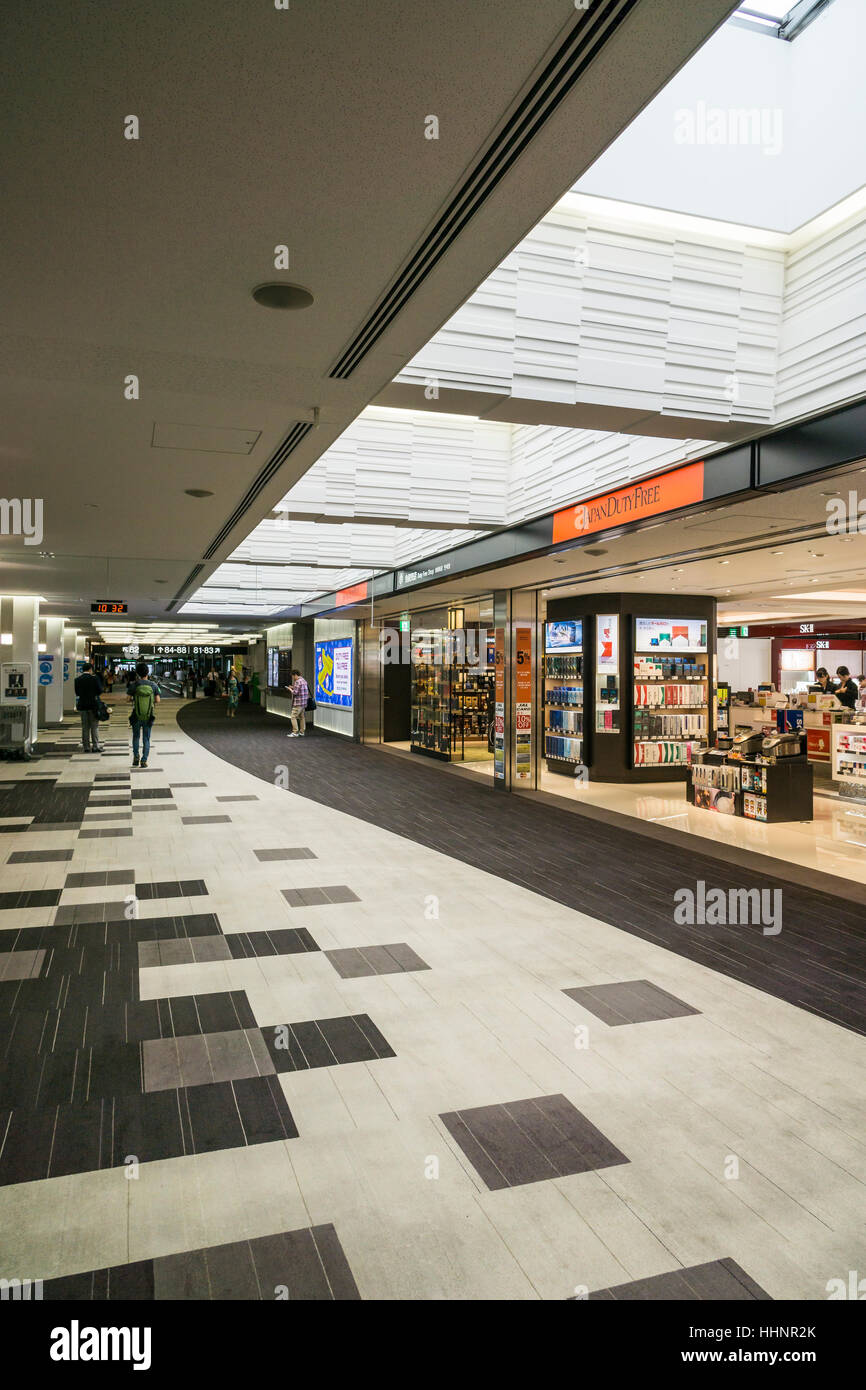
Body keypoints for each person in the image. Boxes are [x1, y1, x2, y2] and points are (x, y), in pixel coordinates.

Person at [127, 660, 161, 768]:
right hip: (148, 715)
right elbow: (158, 700)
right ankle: (144, 760)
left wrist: (135, 698)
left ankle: (136, 756)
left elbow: (127, 699)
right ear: (148, 673)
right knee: (146, 738)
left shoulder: (134, 685)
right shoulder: (153, 685)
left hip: (136, 715)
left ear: (138, 673)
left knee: (136, 736)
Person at [74, 661, 104, 753]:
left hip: (82, 705)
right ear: (90, 669)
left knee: (85, 727)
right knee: (94, 726)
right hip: (93, 705)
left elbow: (77, 693)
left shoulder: (77, 679)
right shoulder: (94, 679)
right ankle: (95, 746)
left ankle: (86, 747)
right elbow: (100, 691)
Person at [287, 667, 309, 738]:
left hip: (298, 703)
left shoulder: (297, 682)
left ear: (295, 675)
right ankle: (302, 731)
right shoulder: (303, 680)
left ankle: (295, 732)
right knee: (302, 717)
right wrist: (293, 687)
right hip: (303, 703)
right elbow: (300, 690)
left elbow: (295, 693)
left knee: (293, 717)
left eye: (293, 676)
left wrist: (290, 689)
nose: (293, 678)